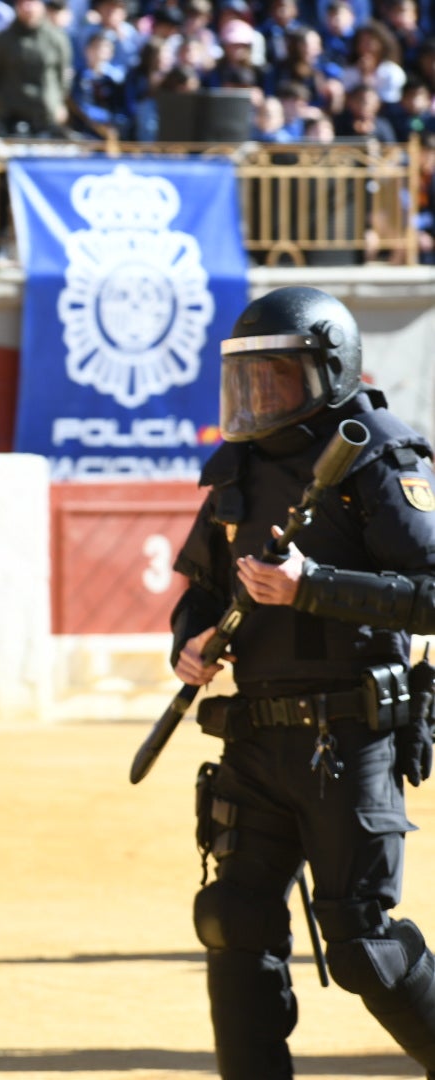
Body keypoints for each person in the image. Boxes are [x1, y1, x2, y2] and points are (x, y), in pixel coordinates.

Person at [170, 285, 435, 1079]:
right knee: (231, 921)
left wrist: (311, 586)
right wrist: (191, 643)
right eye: (248, 379)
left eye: (278, 377)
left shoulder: (376, 456)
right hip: (254, 735)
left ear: (330, 369)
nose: (260, 395)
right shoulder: (239, 469)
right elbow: (202, 592)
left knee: (361, 943)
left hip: (347, 737)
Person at [0, 0, 74, 136]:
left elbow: (64, 76)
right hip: (11, 118)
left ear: (41, 6)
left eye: (32, 2)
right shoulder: (3, 40)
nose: (27, 8)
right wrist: (1, 105)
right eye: (22, 3)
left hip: (46, 117)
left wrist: (58, 103)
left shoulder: (57, 38)